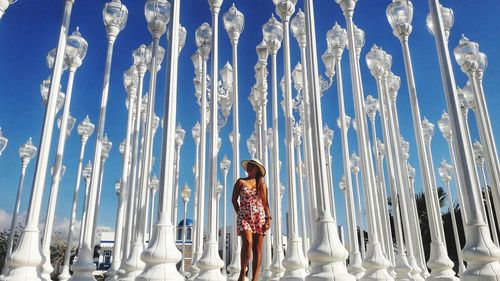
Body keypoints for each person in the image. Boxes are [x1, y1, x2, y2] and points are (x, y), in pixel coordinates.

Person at [232, 159, 271, 281]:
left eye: (252, 166)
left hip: (259, 218)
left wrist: (268, 218)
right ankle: (242, 272)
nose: (249, 167)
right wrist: (240, 214)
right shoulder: (241, 182)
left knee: (257, 249)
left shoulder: (262, 185)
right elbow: (234, 200)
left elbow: (265, 204)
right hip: (244, 218)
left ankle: (255, 278)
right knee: (248, 242)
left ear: (257, 170)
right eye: (249, 166)